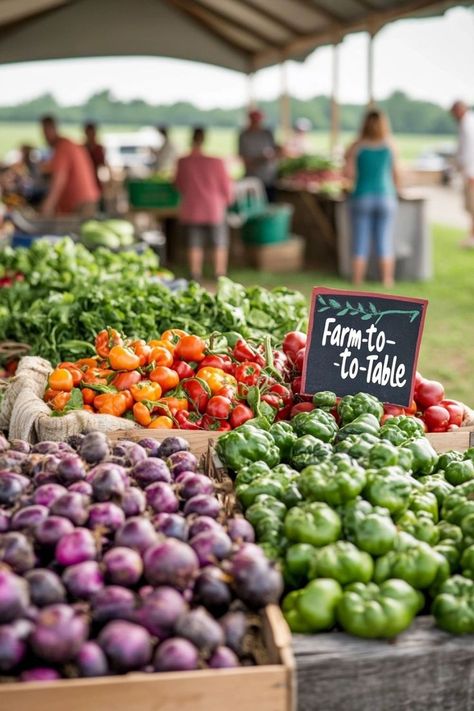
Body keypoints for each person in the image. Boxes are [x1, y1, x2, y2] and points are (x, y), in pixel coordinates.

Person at [344, 109, 400, 288]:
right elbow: (396, 174)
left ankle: (357, 281)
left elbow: (348, 173)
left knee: (360, 239)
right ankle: (387, 281)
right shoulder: (390, 145)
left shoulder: (357, 146)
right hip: (386, 197)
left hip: (362, 196)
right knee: (384, 239)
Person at [175, 127, 232, 281]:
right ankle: (219, 273)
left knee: (194, 242)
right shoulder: (216, 162)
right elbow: (226, 185)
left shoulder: (183, 161)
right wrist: (228, 200)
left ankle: (195, 273)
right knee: (219, 241)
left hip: (192, 208)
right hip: (214, 208)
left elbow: (178, 184)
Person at [40, 116, 100, 217]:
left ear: (53, 129)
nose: (44, 136)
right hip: (86, 200)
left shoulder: (63, 147)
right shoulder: (68, 145)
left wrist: (48, 205)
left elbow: (59, 179)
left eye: (46, 132)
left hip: (81, 204)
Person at [238, 109, 278, 201]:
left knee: (270, 202)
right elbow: (244, 159)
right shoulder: (244, 136)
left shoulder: (267, 133)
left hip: (269, 177)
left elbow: (275, 150)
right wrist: (260, 159)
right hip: (252, 178)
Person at [450, 100, 474, 248]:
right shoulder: (466, 124)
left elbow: (470, 152)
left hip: (471, 173)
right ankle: (471, 236)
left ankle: (472, 238)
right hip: (467, 173)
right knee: (470, 208)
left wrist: (470, 173)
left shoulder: (468, 125)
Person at [83, 122, 107, 192]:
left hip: (96, 181)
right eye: (89, 133)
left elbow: (103, 166)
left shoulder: (99, 149)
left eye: (92, 133)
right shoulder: (83, 149)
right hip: (86, 180)